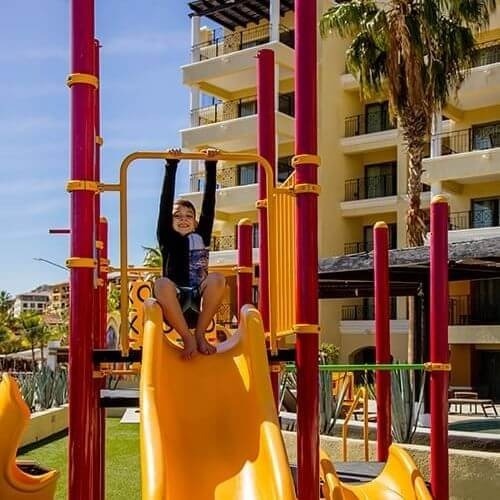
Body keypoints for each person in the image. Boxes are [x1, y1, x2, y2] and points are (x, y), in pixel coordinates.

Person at [154, 149, 226, 360]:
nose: (183, 219)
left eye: (188, 216)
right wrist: (171, 165)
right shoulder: (167, 236)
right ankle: (187, 338)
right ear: (170, 220)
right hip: (174, 305)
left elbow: (209, 207)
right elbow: (165, 202)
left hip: (198, 303)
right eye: (177, 216)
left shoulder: (201, 235)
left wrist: (210, 166)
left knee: (217, 278)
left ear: (195, 221)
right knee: (161, 283)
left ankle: (201, 334)